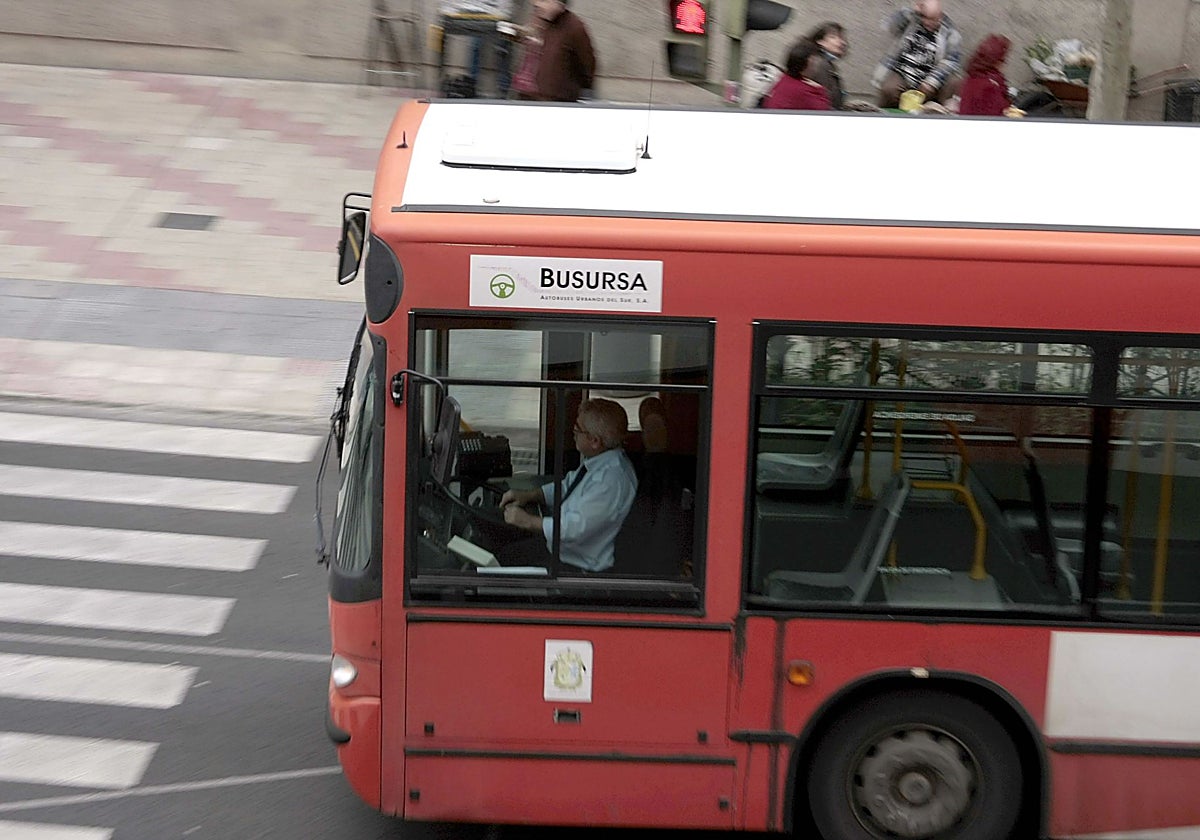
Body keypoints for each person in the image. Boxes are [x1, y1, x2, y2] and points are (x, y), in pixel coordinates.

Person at [500, 398, 637, 572]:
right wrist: (530, 495)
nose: (573, 432)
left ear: (595, 441)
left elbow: (574, 528)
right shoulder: (600, 463)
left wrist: (528, 521)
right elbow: (568, 486)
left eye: (578, 429)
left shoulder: (610, 481)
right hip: (562, 551)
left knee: (503, 559)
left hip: (574, 567)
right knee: (506, 550)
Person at [874, 0, 963, 109]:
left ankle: (940, 114)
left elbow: (951, 61)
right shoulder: (912, 20)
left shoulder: (951, 33)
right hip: (905, 72)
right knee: (889, 89)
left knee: (953, 82)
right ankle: (887, 115)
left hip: (931, 76)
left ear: (939, 17)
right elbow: (889, 26)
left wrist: (932, 81)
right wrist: (912, 10)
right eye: (924, 17)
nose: (927, 22)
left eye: (932, 19)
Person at [528, 0, 596, 102]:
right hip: (535, 96)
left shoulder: (575, 27)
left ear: (559, 4)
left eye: (544, 1)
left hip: (559, 100)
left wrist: (579, 89)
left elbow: (587, 64)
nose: (537, 4)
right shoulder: (543, 22)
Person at [762, 39, 832, 111]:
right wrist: (819, 89)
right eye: (815, 60)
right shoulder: (804, 91)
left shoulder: (784, 79)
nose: (817, 64)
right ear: (809, 62)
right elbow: (824, 110)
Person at [958, 34, 1012, 117]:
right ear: (995, 61)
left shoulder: (972, 78)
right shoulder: (989, 87)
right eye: (1002, 59)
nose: (1004, 63)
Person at [806, 22, 848, 110]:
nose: (841, 42)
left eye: (841, 38)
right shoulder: (820, 64)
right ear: (820, 41)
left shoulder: (826, 63)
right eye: (833, 37)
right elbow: (825, 100)